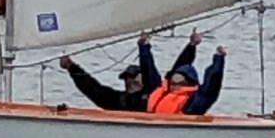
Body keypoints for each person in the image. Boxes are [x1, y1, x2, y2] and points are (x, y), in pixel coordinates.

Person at [59, 28, 202, 112]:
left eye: (134, 77)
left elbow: (178, 71)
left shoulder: (154, 89)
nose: (130, 81)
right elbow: (92, 88)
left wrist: (191, 46)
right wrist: (71, 67)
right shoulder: (118, 100)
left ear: (143, 79)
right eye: (127, 78)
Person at [139, 32, 228, 116]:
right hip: (151, 123)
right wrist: (144, 47)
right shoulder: (161, 88)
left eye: (180, 84)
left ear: (188, 83)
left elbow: (212, 85)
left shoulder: (193, 101)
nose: (175, 87)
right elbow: (148, 70)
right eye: (173, 83)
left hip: (174, 125)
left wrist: (219, 58)